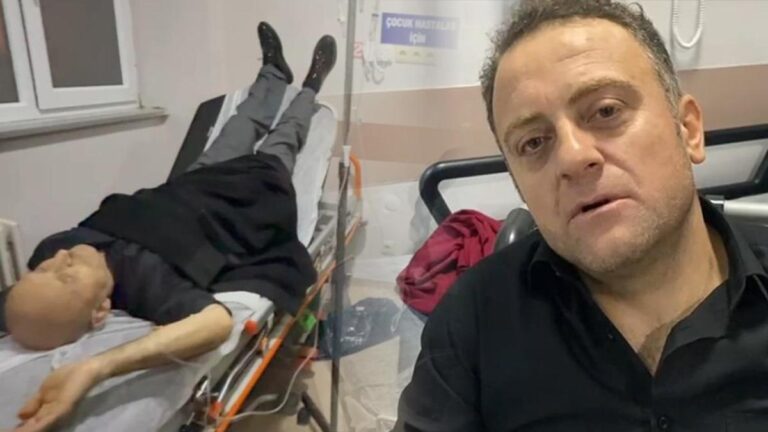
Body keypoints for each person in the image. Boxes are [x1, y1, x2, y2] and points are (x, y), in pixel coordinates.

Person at [396, 0, 768, 431]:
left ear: (688, 129)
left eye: (606, 111)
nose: (572, 158)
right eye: (534, 143)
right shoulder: (474, 322)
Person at [0, 22, 336, 432]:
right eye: (66, 277)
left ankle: (273, 74)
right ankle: (311, 87)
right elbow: (215, 323)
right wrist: (93, 369)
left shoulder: (50, 255)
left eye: (42, 269)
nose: (59, 258)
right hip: (251, 198)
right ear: (102, 309)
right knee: (284, 139)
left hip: (192, 183)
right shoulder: (143, 280)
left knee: (239, 125)